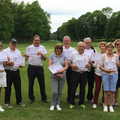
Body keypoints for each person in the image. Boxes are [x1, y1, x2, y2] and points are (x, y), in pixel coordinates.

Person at [24, 35, 49, 104]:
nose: (37, 41)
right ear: (33, 41)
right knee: (31, 83)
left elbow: (44, 58)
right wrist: (25, 57)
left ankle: (44, 97)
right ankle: (31, 97)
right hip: (31, 67)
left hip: (39, 68)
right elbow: (26, 59)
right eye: (36, 40)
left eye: (38, 40)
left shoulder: (42, 47)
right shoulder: (29, 47)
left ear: (39, 41)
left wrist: (41, 54)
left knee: (42, 83)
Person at [2, 38, 25, 108]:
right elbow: (2, 63)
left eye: (15, 43)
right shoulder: (5, 51)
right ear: (9, 43)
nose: (13, 44)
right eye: (12, 43)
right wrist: (8, 63)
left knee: (18, 87)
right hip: (8, 71)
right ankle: (7, 102)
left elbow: (20, 62)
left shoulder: (18, 52)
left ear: (16, 44)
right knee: (8, 87)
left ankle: (19, 101)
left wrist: (21, 65)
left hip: (16, 71)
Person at [68, 42, 91, 109]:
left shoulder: (86, 54)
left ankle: (81, 103)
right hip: (75, 73)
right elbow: (69, 61)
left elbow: (89, 64)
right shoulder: (73, 54)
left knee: (82, 89)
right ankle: (71, 103)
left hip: (84, 73)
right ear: (77, 47)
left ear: (84, 47)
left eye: (82, 46)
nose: (81, 48)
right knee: (73, 88)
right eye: (80, 46)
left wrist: (89, 65)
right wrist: (72, 65)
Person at [99, 42, 120, 112]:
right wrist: (105, 70)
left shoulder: (116, 56)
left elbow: (118, 66)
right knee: (105, 90)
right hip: (105, 74)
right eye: (109, 47)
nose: (110, 49)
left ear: (113, 48)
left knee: (112, 90)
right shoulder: (103, 56)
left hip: (114, 74)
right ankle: (105, 106)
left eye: (111, 47)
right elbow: (100, 66)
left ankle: (111, 106)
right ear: (107, 48)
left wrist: (118, 64)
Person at [49, 43, 68, 111]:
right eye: (57, 48)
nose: (58, 49)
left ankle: (57, 104)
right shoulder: (52, 56)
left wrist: (61, 72)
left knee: (60, 91)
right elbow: (50, 66)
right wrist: (57, 73)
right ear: (55, 49)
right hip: (54, 76)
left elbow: (66, 66)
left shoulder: (64, 56)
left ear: (62, 49)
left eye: (60, 48)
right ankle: (52, 104)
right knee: (55, 91)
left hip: (62, 75)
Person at [90, 42, 107, 108]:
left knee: (104, 89)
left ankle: (103, 102)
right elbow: (95, 66)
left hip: (106, 74)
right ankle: (95, 102)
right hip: (98, 73)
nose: (101, 47)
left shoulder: (107, 55)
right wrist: (91, 64)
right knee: (97, 89)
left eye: (103, 46)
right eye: (100, 46)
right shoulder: (98, 55)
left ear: (105, 47)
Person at [84, 37, 97, 103]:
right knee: (83, 84)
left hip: (91, 69)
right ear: (84, 43)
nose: (88, 44)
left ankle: (90, 98)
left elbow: (96, 60)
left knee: (91, 84)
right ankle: (81, 98)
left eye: (89, 42)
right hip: (83, 69)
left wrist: (91, 63)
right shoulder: (81, 49)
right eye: (86, 42)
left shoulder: (94, 50)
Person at [63, 36, 76, 103]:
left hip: (70, 68)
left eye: (67, 41)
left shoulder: (73, 50)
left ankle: (70, 97)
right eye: (65, 41)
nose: (66, 42)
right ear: (63, 42)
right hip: (62, 68)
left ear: (70, 41)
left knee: (70, 84)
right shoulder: (61, 49)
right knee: (61, 84)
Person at [0, 42, 7, 111]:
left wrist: (5, 61)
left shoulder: (3, 55)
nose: (0, 47)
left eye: (0, 46)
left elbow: (4, 66)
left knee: (0, 90)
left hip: (2, 73)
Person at [113, 39, 120, 107]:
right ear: (115, 45)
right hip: (116, 72)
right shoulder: (113, 53)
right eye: (117, 44)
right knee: (116, 86)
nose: (119, 45)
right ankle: (116, 100)